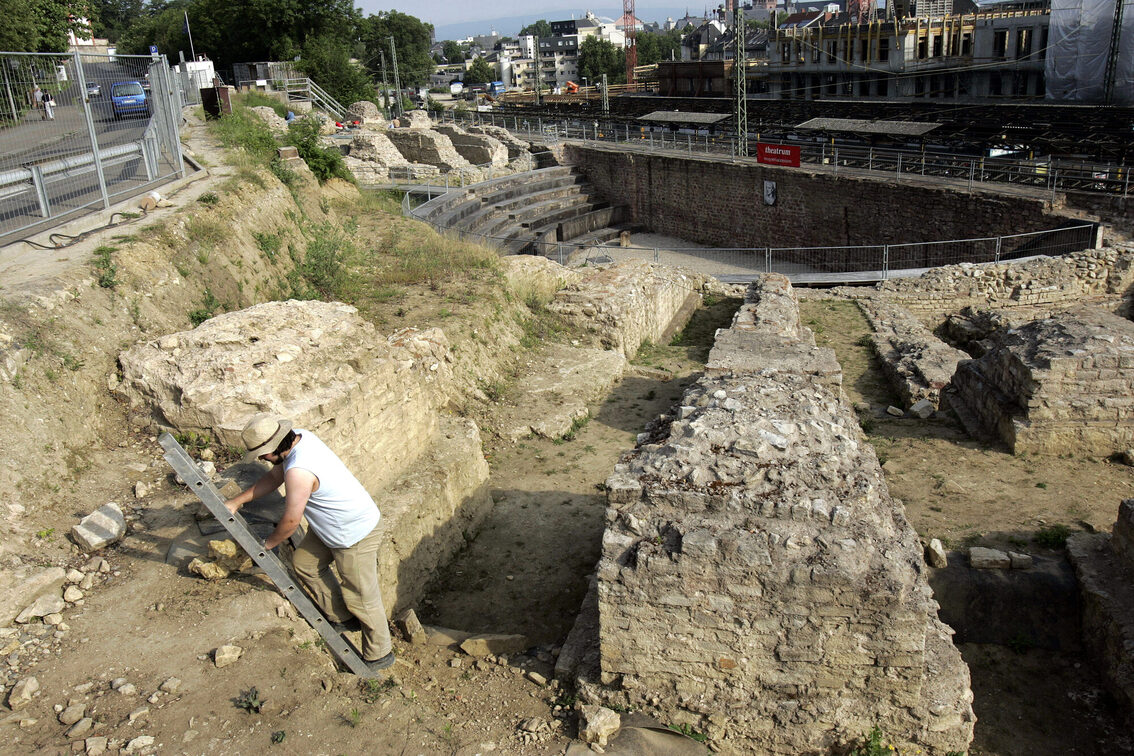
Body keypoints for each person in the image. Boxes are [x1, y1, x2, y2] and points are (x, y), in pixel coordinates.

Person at [225, 414, 395, 672]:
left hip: (353, 533)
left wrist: (267, 545)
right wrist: (237, 502)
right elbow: (273, 479)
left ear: (276, 447)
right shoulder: (301, 439)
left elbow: (292, 521)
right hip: (332, 525)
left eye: (263, 454)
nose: (263, 459)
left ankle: (379, 655)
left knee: (361, 597)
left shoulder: (299, 471)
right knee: (304, 563)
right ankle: (342, 617)